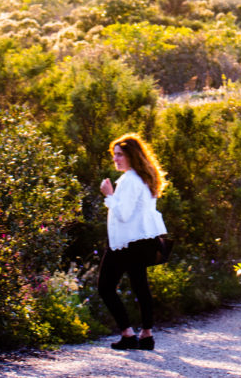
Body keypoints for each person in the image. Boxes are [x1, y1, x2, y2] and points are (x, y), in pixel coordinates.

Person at [97, 133, 168, 351]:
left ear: (131, 156)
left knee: (105, 287)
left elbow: (124, 214)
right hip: (144, 240)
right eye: (114, 155)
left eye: (120, 155)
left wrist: (108, 195)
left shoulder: (129, 180)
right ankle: (146, 335)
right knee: (140, 285)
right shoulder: (145, 178)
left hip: (127, 243)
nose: (115, 159)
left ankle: (128, 334)